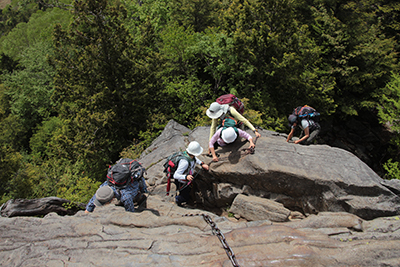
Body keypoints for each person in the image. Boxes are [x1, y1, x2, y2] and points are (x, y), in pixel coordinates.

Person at [174, 141, 209, 207]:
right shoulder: (185, 162)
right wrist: (186, 177)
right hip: (182, 182)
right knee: (184, 196)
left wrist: (202, 164)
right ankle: (177, 200)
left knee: (188, 192)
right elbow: (175, 175)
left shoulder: (190, 156)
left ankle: (187, 199)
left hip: (187, 181)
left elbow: (195, 159)